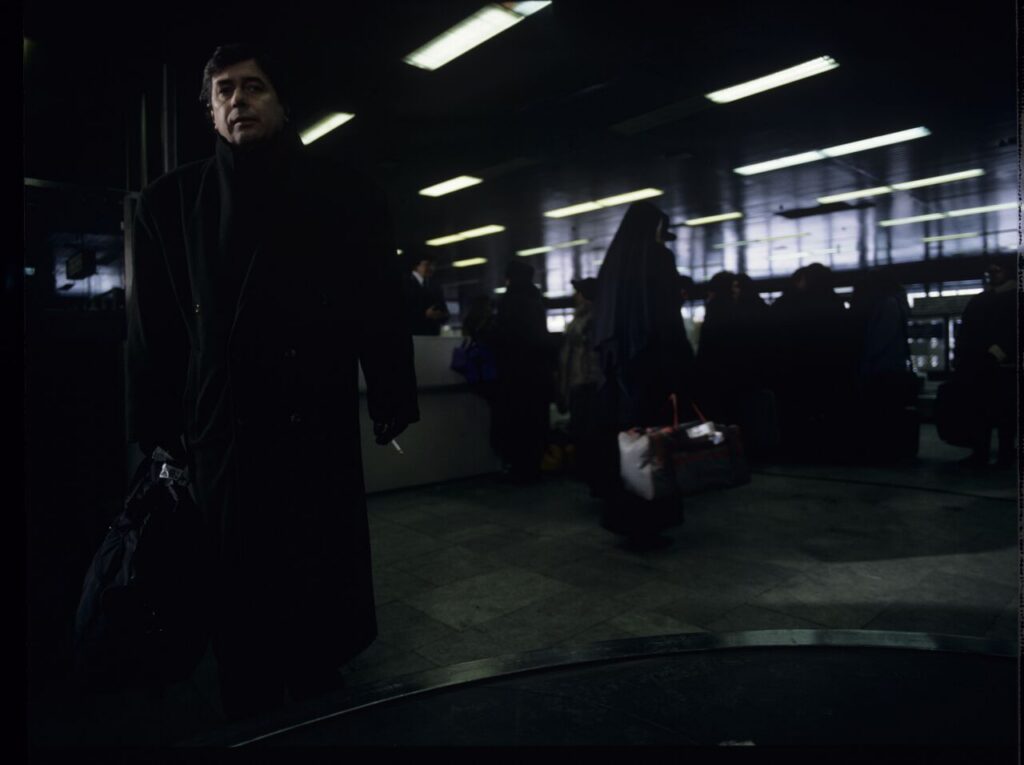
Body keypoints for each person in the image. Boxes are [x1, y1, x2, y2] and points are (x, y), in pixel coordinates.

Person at [125, 43, 419, 722]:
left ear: (280, 103)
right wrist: (158, 429)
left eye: (253, 87)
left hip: (310, 414)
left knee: (315, 587)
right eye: (223, 91)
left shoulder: (343, 192)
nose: (237, 100)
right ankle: (252, 704)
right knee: (241, 602)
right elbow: (153, 332)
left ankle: (317, 690)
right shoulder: (171, 205)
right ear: (210, 112)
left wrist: (391, 390)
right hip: (223, 429)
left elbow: (378, 299)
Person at [591, 201, 689, 535]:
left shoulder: (613, 263)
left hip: (618, 372)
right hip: (653, 367)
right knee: (655, 447)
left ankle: (623, 515)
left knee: (627, 447)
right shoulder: (659, 259)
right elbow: (666, 321)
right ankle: (652, 519)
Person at [953, 256, 1017, 468]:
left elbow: (967, 332)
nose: (991, 275)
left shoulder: (980, 301)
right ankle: (1004, 453)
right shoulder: (1012, 298)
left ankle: (983, 452)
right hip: (1003, 366)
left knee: (985, 412)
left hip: (982, 366)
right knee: (1003, 414)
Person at [491, 260, 552, 482]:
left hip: (514, 374)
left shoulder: (508, 301)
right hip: (537, 374)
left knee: (515, 422)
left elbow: (501, 336)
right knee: (535, 421)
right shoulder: (537, 300)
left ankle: (518, 468)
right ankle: (533, 466)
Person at [557, 278, 603, 492]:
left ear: (585, 296)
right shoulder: (585, 318)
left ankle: (590, 472)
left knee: (587, 431)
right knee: (584, 430)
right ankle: (588, 470)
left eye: (578, 292)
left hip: (586, 382)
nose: (575, 296)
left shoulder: (590, 319)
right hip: (582, 382)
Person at [404, 251, 450, 335]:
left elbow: (445, 312)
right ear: (416, 266)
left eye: (433, 265)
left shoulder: (435, 286)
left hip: (432, 334)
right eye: (427, 264)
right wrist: (424, 314)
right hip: (414, 334)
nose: (431, 268)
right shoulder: (406, 284)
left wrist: (442, 315)